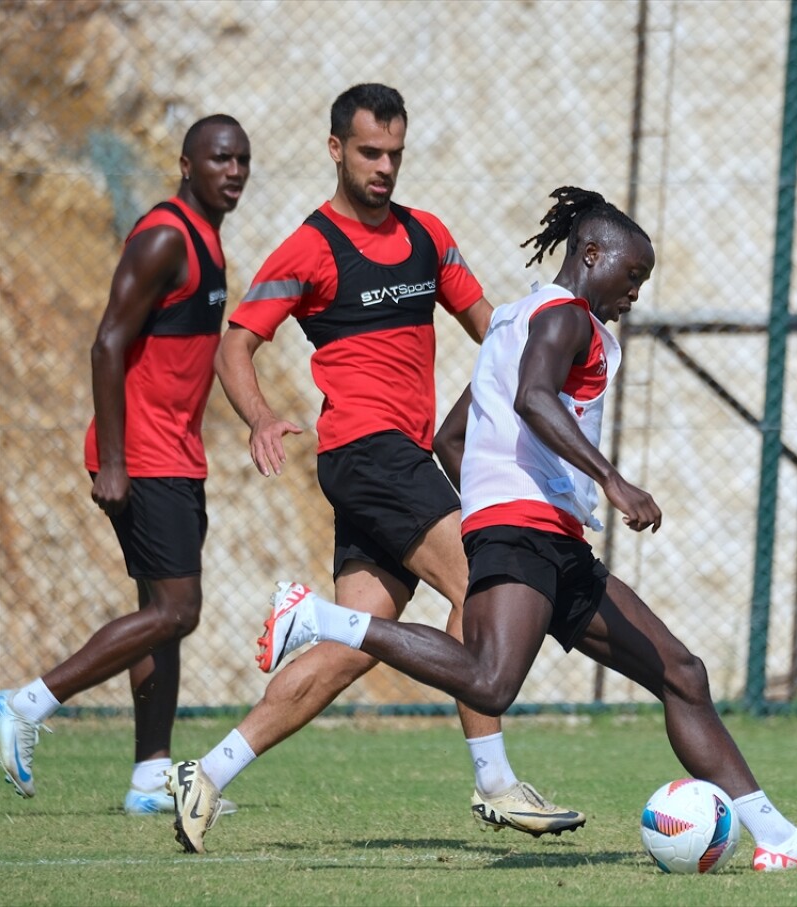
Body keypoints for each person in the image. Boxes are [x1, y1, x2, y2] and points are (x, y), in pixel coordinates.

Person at [253, 186, 797, 871]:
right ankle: (318, 619)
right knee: (490, 682)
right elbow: (533, 397)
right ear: (592, 254)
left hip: (549, 537)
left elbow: (455, 436)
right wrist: (608, 481)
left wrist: (494, 503)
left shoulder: (514, 321)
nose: (635, 292)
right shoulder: (565, 318)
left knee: (681, 673)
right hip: (526, 533)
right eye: (632, 274)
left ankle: (776, 838)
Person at [163, 84, 581, 854]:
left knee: (356, 644)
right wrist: (260, 417)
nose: (384, 167)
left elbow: (491, 329)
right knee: (481, 583)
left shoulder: (427, 236)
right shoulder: (311, 247)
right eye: (368, 153)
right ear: (336, 150)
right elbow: (235, 344)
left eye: (394, 154)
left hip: (395, 459)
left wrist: (551, 359)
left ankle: (207, 772)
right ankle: (495, 780)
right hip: (367, 451)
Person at [0, 116, 252, 815]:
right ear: (186, 165)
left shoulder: (208, 238)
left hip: (177, 452)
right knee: (178, 608)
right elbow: (107, 343)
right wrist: (113, 460)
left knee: (161, 613)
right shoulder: (165, 235)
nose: (233, 171)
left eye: (241, 160)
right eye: (220, 158)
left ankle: (149, 775)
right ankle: (24, 704)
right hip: (142, 454)